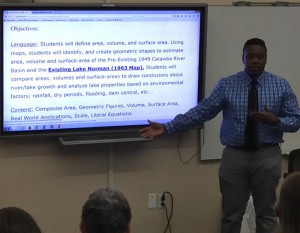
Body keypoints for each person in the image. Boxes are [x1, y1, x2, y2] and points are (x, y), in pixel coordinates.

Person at [140, 38, 300, 233]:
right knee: (231, 216)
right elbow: (202, 111)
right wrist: (168, 127)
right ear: (243, 58)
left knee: (266, 216)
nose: (255, 61)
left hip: (267, 156)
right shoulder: (227, 85)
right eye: (250, 56)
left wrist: (276, 121)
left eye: (260, 56)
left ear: (266, 58)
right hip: (235, 157)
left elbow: (296, 120)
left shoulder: (281, 85)